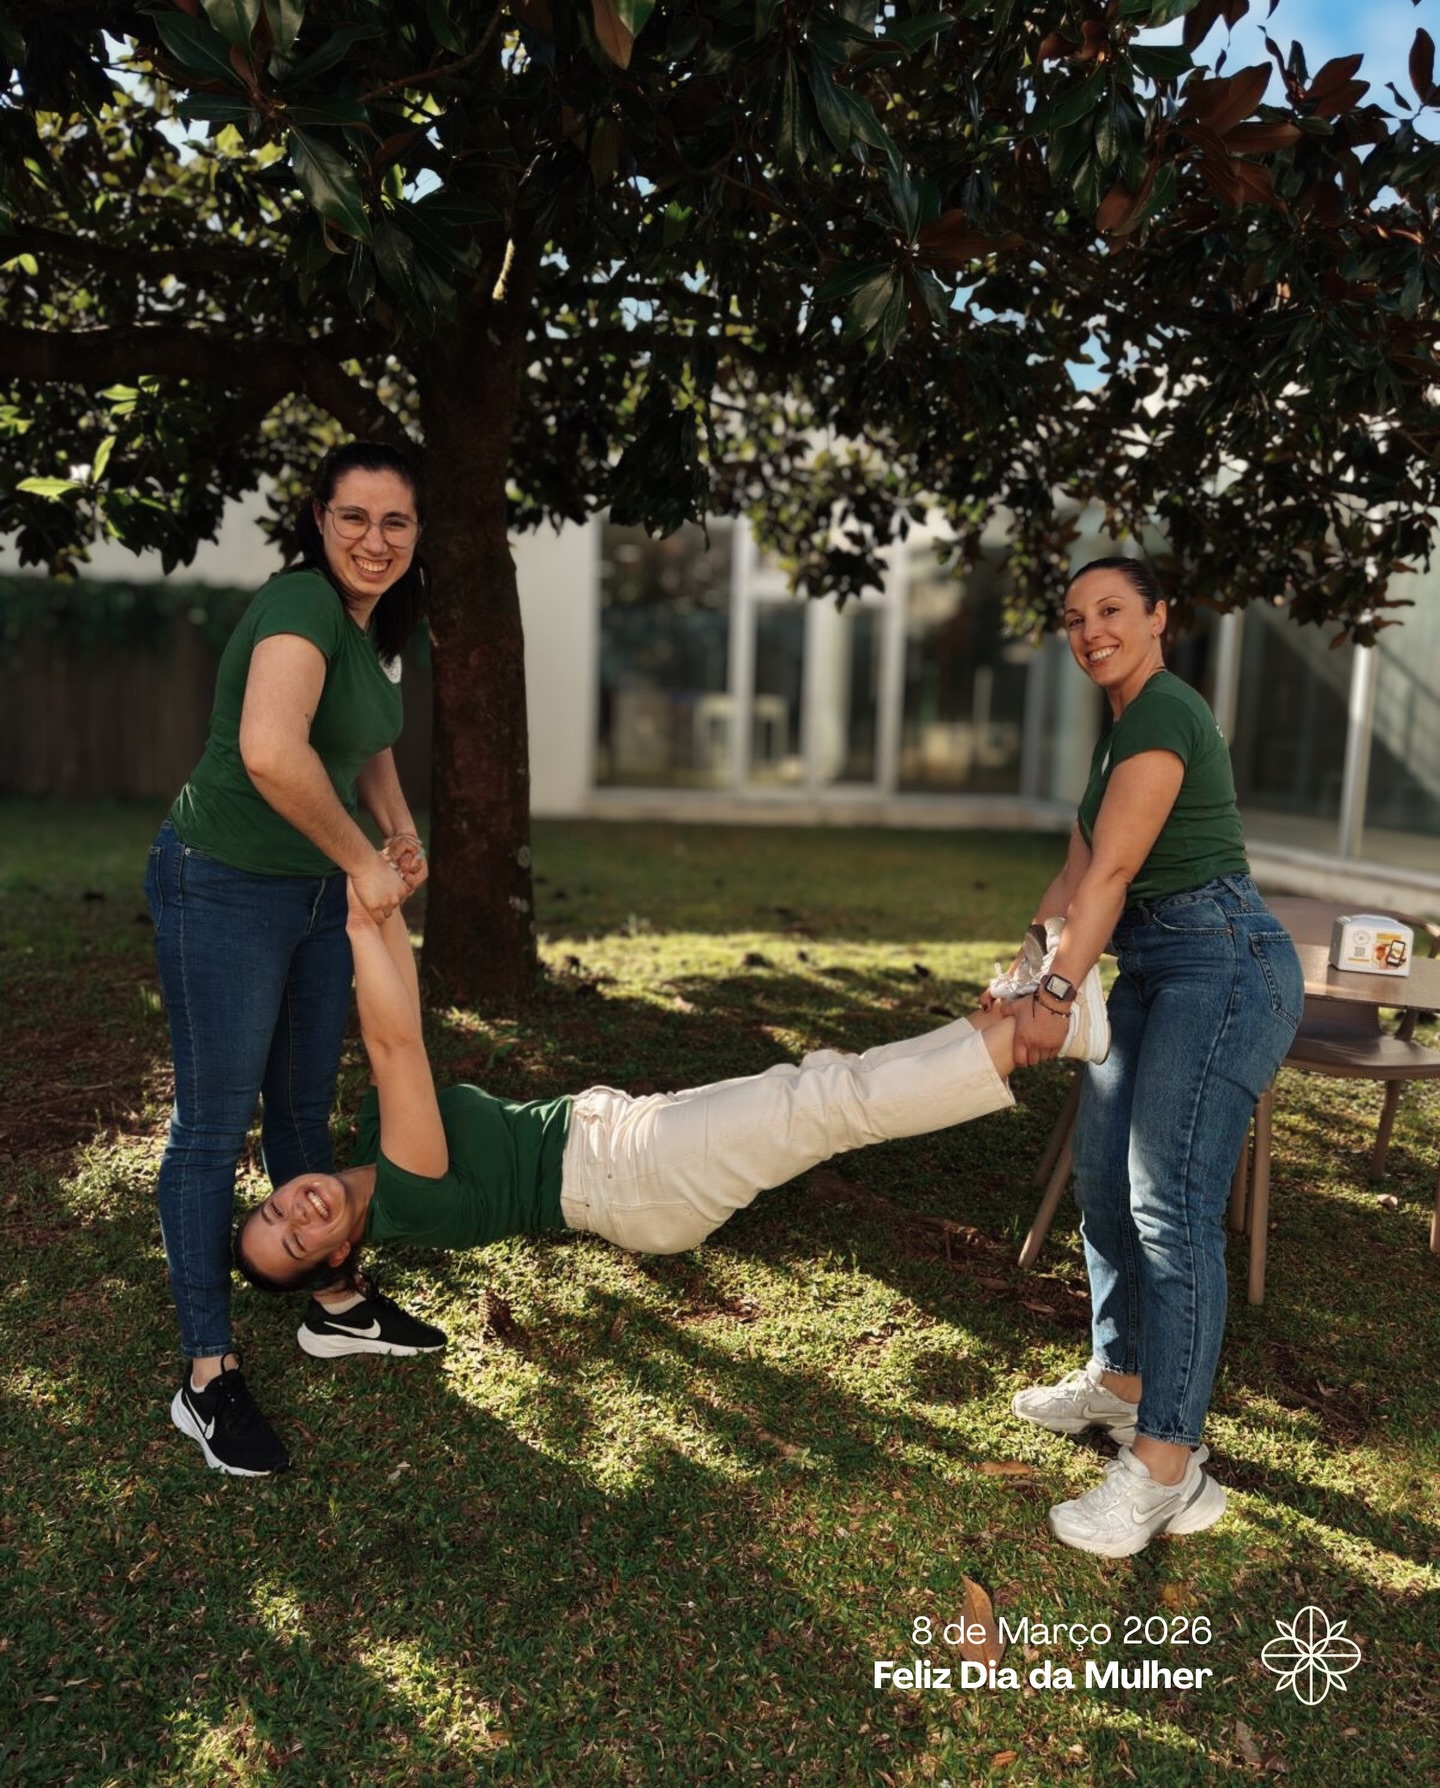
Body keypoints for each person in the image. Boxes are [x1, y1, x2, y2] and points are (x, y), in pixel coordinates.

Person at [233, 882, 1113, 1299]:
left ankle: (1022, 1022)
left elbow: (404, 1023)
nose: (297, 1216)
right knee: (829, 1103)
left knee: (827, 1089)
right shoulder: (408, 1198)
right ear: (339, 1259)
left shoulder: (368, 1146)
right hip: (632, 1178)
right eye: (301, 1243)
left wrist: (382, 914)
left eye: (273, 1214)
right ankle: (1046, 1031)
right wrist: (357, 920)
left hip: (629, 1147)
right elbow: (395, 1042)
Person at [989, 556, 1302, 1558]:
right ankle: (1120, 1384)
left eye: (1112, 610)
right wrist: (1020, 967)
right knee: (1102, 1182)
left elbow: (1118, 873)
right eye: (1075, 617)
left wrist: (1055, 994)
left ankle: (1166, 1465)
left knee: (1168, 1200)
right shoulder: (1121, 733)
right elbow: (1079, 866)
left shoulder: (1164, 712)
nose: (1090, 631)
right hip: (1164, 968)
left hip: (1224, 965)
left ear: (1161, 616)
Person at [145, 440, 445, 1480]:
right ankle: (207, 1371)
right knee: (212, 1127)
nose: (375, 538)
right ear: (318, 519)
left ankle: (334, 1300)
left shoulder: (369, 627)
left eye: (396, 521)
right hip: (223, 880)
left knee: (306, 1110)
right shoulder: (300, 604)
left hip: (315, 891)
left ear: (417, 534)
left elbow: (358, 740)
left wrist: (396, 831)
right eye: (354, 516)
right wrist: (365, 860)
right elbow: (273, 752)